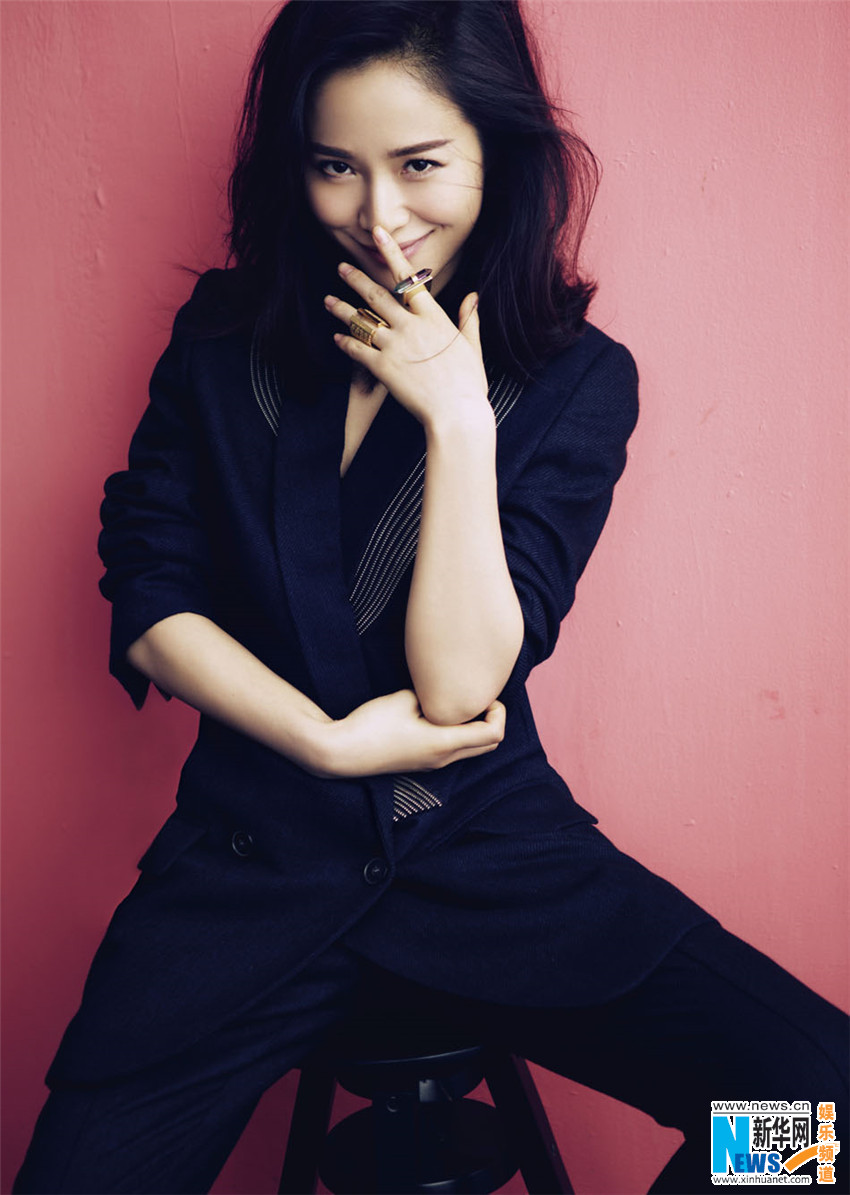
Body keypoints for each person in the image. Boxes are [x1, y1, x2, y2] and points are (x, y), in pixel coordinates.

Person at [14, 2, 847, 1192]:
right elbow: (151, 586)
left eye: (418, 166)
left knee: (821, 1108)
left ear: (497, 156)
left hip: (488, 864)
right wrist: (322, 741)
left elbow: (460, 689)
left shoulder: (575, 382)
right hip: (246, 874)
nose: (377, 216)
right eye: (334, 168)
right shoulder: (222, 340)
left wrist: (458, 420)